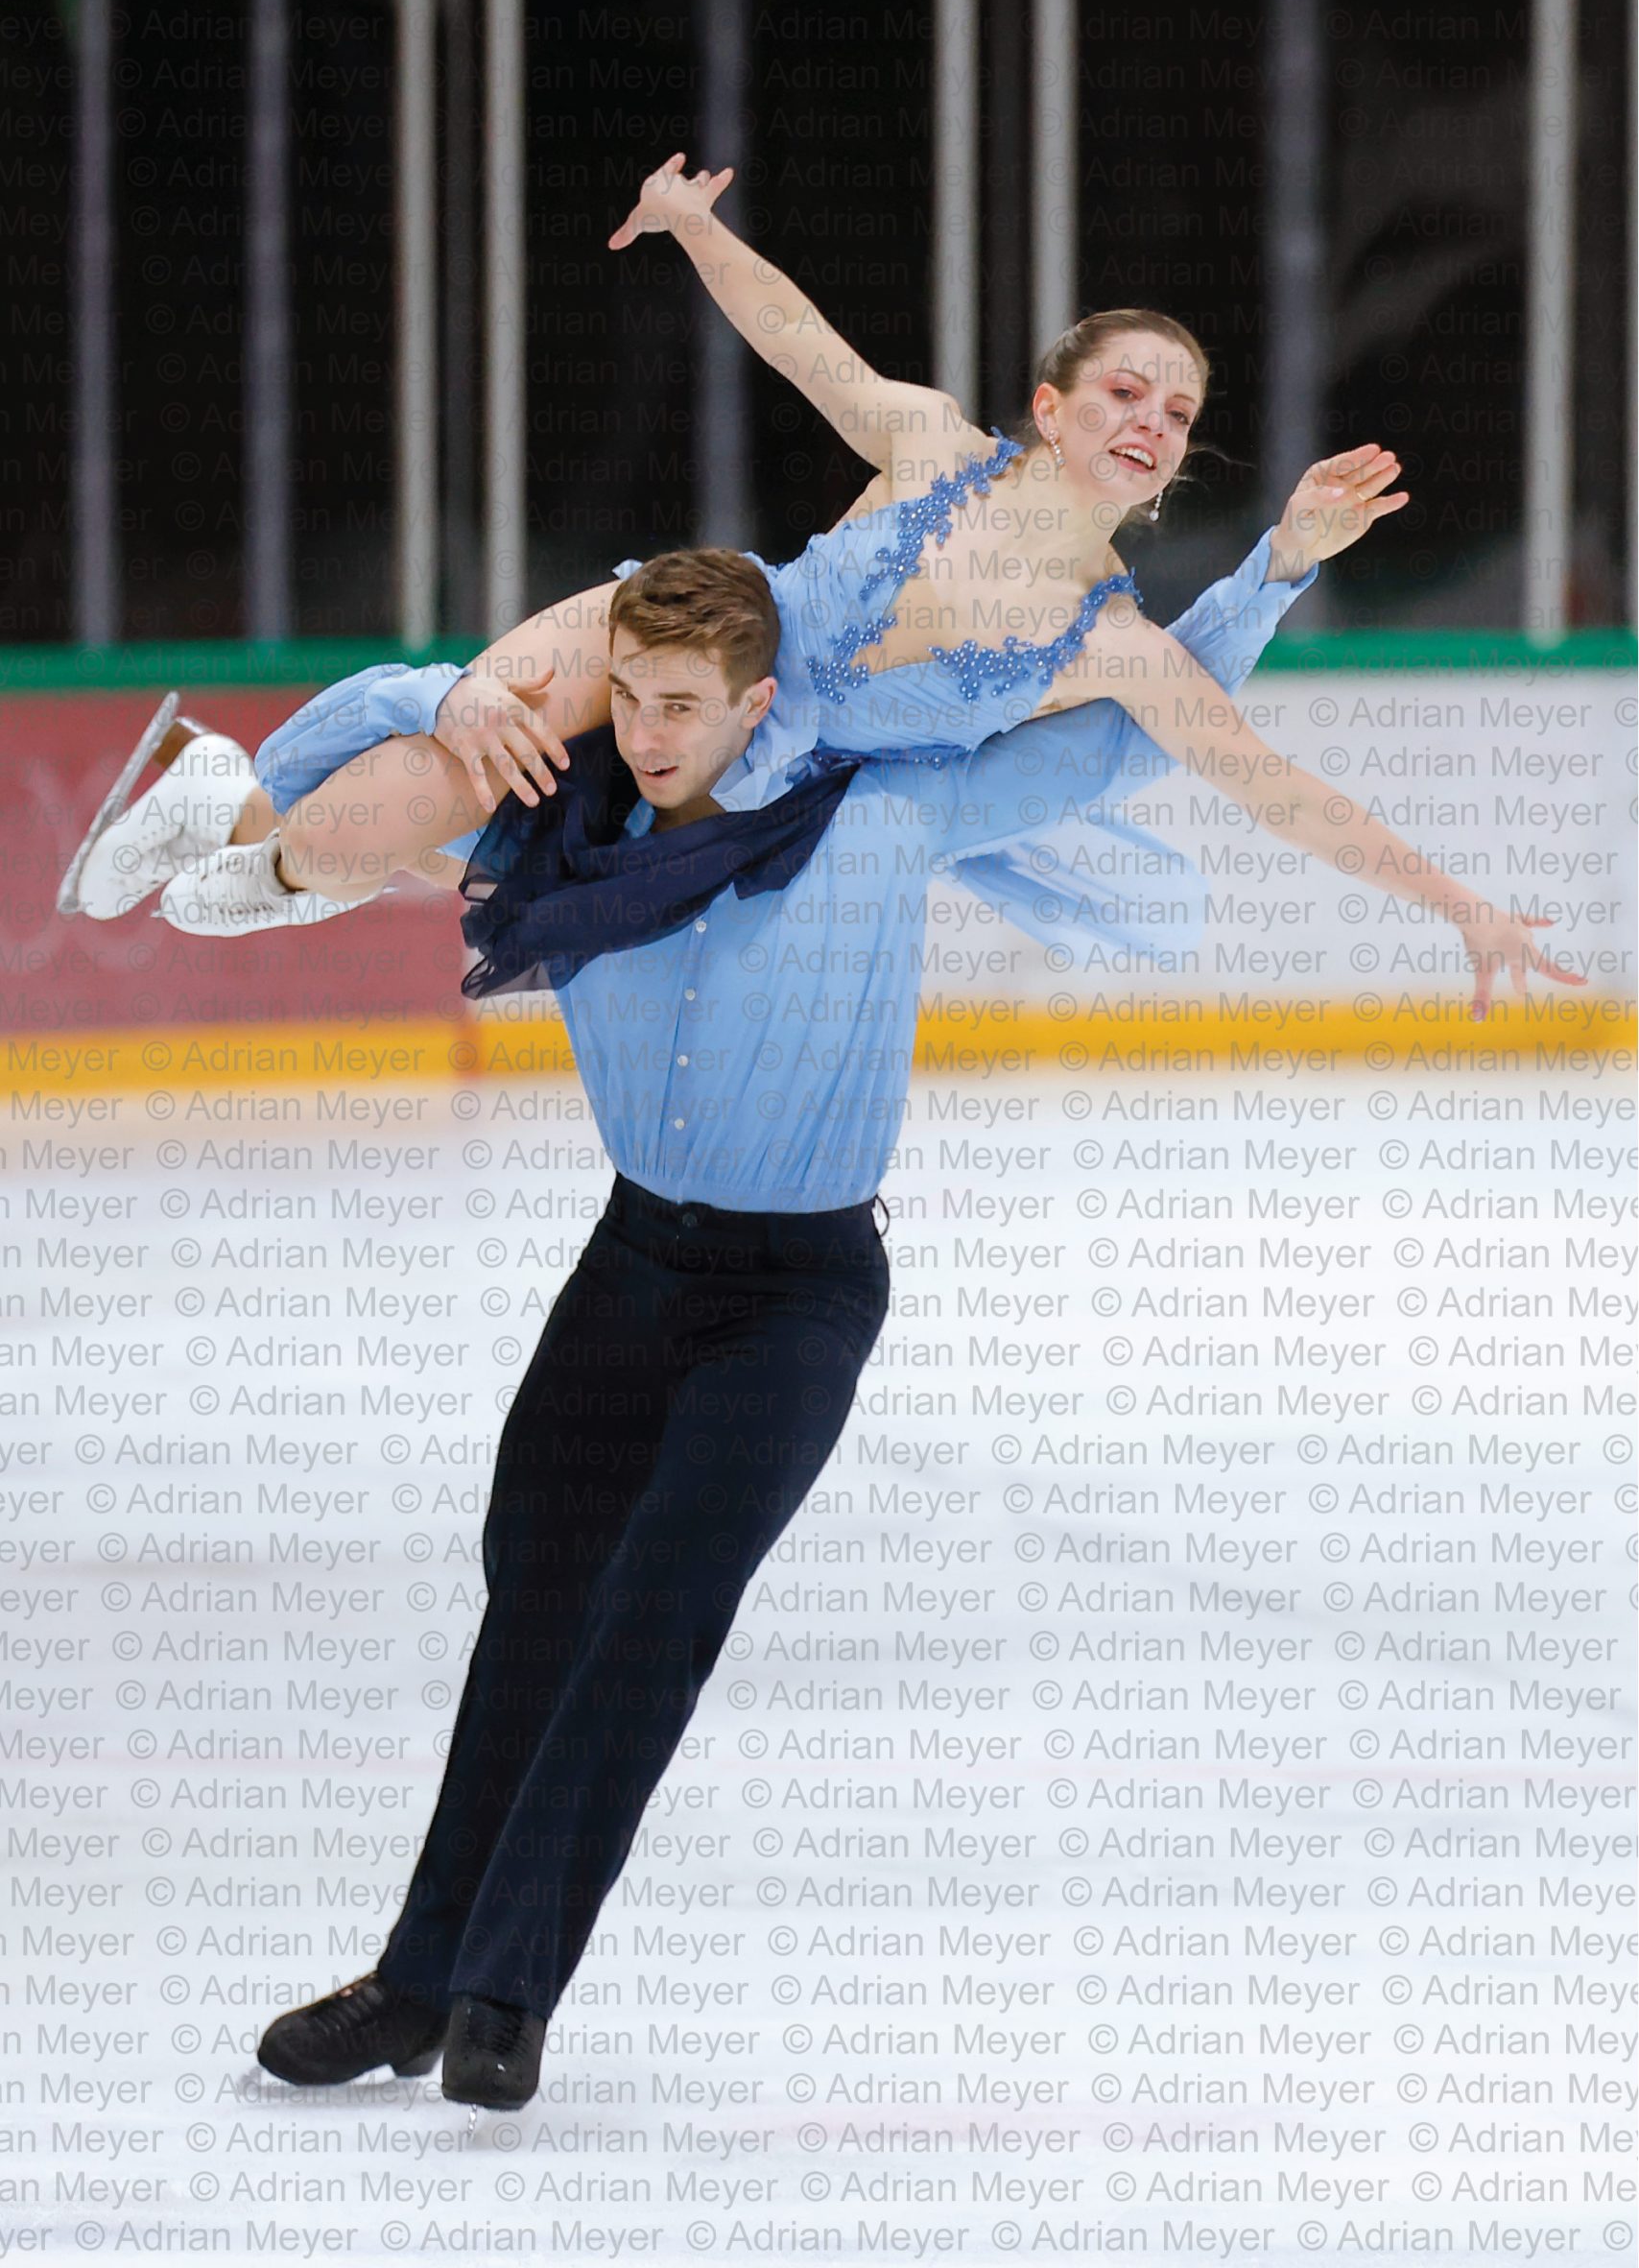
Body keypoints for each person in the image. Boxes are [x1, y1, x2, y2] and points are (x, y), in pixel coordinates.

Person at [252, 537, 1579, 2117]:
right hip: (627, 1271)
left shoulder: (886, 815)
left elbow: (1136, 728)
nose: (654, 733)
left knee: (650, 1619)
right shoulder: (561, 819)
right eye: (634, 697)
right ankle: (413, 1982)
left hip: (793, 1300)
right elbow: (318, 779)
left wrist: (1273, 573)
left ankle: (504, 1989)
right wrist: (464, 695)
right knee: (531, 1605)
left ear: (759, 704)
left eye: (686, 704)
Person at [65, 155, 1402, 956]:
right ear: (1051, 406)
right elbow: (798, 339)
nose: (1151, 422)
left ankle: (246, 818)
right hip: (699, 639)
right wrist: (694, 226)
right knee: (457, 770)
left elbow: (1260, 776)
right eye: (1125, 392)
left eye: (1177, 413)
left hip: (760, 794)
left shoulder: (1108, 640)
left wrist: (1461, 907)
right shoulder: (936, 447)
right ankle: (294, 832)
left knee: (525, 868)